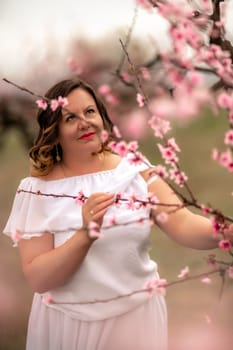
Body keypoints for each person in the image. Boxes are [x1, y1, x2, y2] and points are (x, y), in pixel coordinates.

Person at [3, 78, 233, 350]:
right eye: (70, 118)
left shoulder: (134, 169)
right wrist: (85, 235)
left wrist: (227, 232)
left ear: (102, 116)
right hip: (65, 324)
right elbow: (39, 278)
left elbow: (183, 224)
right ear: (54, 130)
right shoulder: (38, 190)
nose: (84, 122)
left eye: (90, 112)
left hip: (134, 320)